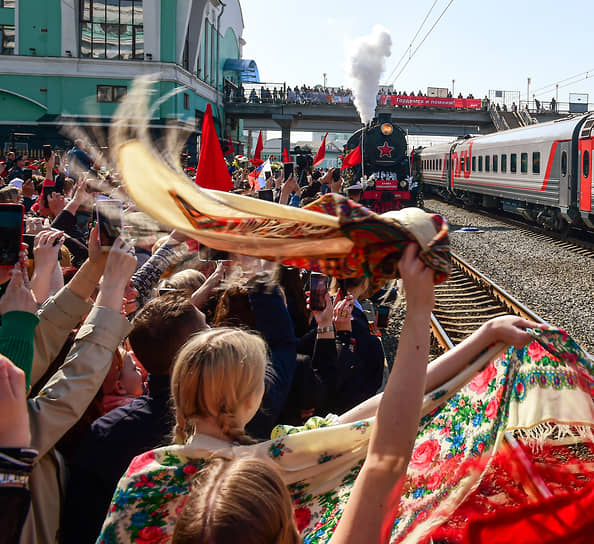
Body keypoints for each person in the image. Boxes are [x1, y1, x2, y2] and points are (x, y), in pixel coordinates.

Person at [62, 292, 208, 544]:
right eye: (207, 327)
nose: (215, 331)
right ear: (195, 350)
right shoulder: (225, 417)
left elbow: (80, 526)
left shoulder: (111, 431)